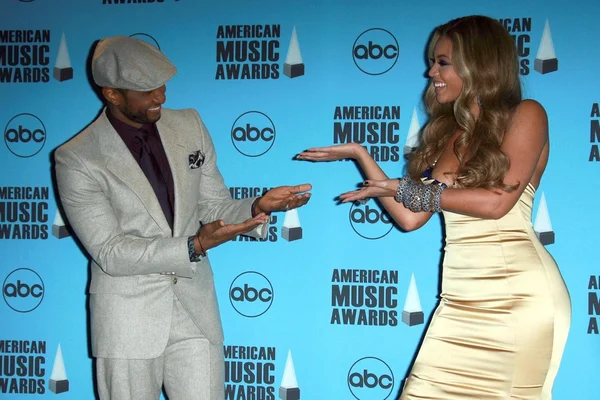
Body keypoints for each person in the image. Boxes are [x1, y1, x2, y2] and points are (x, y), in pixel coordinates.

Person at [298, 15, 570, 399]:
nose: (431, 72)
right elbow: (412, 217)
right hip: (458, 302)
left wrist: (409, 189)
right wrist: (362, 157)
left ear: (478, 64)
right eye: (433, 62)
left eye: (442, 62)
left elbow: (497, 203)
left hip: (518, 299)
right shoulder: (453, 136)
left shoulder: (526, 114)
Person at [54, 36, 311, 400]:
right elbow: (110, 251)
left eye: (162, 85)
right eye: (147, 90)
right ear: (112, 94)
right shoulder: (77, 158)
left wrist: (257, 208)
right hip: (128, 319)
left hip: (195, 310)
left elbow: (213, 206)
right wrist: (193, 246)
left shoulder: (189, 125)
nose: (160, 96)